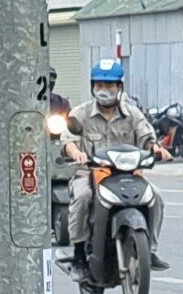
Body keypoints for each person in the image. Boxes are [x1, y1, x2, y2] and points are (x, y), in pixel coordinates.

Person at [63, 58, 169, 267]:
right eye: (99, 85)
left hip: (128, 174)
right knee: (83, 197)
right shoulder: (80, 113)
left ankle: (150, 250)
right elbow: (69, 140)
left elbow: (148, 139)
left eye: (109, 85)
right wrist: (76, 153)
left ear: (119, 87)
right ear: (92, 87)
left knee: (156, 197)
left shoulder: (132, 113)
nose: (104, 90)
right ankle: (78, 253)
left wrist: (157, 149)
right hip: (90, 172)